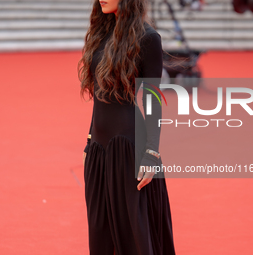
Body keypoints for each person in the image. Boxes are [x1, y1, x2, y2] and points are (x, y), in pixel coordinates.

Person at [78, 0, 177, 254]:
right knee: (100, 233)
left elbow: (153, 99)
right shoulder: (100, 32)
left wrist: (151, 153)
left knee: (134, 235)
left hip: (129, 148)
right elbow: (100, 95)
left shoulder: (148, 38)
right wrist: (90, 140)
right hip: (98, 151)